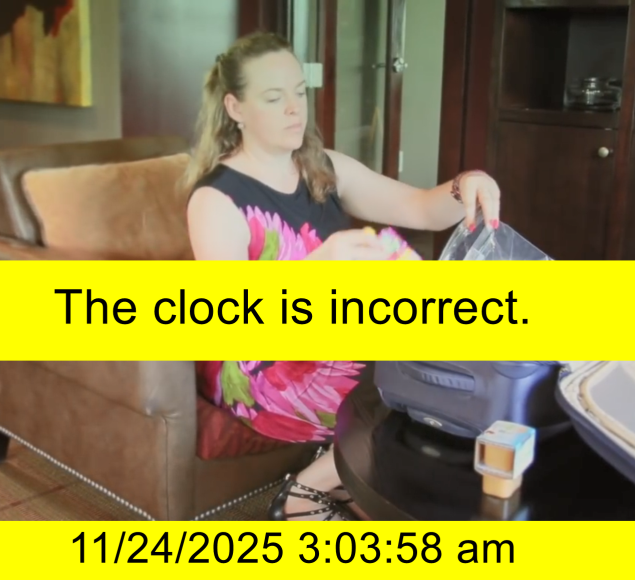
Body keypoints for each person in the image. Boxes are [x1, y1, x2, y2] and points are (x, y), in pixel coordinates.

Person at [182, 32, 503, 521]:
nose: (295, 109)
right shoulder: (216, 200)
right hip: (266, 366)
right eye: (274, 97)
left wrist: (466, 185)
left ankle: (350, 491)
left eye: (300, 91)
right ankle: (303, 494)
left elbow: (420, 207)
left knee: (462, 369)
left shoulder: (323, 168)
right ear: (235, 107)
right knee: (420, 383)